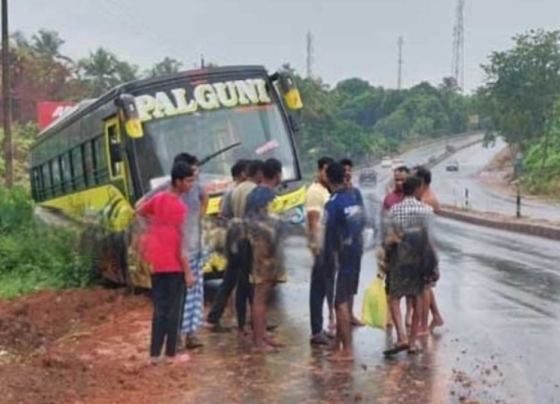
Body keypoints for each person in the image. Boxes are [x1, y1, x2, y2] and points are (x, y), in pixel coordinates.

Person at [137, 153, 209, 350]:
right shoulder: (164, 193)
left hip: (195, 248)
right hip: (177, 252)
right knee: (177, 298)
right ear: (179, 178)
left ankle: (191, 334)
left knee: (195, 296)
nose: (194, 178)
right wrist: (157, 231)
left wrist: (199, 220)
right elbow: (139, 208)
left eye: (195, 174)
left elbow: (205, 198)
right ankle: (174, 338)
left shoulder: (195, 188)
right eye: (191, 174)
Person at [383, 176, 436, 356]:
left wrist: (385, 260)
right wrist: (434, 265)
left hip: (399, 259)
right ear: (417, 189)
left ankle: (401, 336)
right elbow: (430, 241)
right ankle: (413, 342)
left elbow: (389, 239)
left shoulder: (394, 211)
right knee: (417, 299)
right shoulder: (427, 211)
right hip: (419, 261)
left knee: (395, 297)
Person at [322, 162, 363, 361]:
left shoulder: (332, 203)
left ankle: (346, 350)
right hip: (354, 253)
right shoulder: (352, 199)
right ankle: (338, 345)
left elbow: (328, 235)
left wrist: (328, 260)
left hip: (340, 256)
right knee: (345, 298)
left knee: (340, 304)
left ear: (329, 179)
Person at [244, 158, 285, 352]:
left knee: (264, 295)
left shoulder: (256, 193)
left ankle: (262, 335)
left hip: (262, 247)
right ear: (277, 175)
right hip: (265, 249)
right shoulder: (267, 195)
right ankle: (258, 341)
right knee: (261, 295)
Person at [206, 159, 250, 331]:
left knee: (230, 280)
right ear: (243, 174)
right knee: (241, 281)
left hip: (233, 240)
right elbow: (223, 217)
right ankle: (244, 322)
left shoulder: (233, 191)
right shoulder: (234, 192)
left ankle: (215, 317)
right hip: (238, 240)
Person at [307, 157, 335, 346]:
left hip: (329, 247)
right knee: (318, 289)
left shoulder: (326, 190)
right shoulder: (315, 192)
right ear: (318, 171)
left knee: (325, 288)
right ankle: (316, 331)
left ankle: (321, 327)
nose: (328, 175)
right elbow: (313, 222)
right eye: (325, 171)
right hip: (321, 247)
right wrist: (317, 247)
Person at [414, 166, 444, 334]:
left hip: (428, 248)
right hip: (428, 247)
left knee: (424, 287)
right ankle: (436, 316)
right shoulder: (425, 198)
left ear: (422, 182)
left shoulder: (427, 200)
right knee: (426, 285)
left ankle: (424, 325)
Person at [340, 158, 366, 327]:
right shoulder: (336, 194)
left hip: (356, 243)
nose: (347, 173)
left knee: (353, 280)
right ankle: (339, 317)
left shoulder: (356, 193)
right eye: (344, 170)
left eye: (349, 170)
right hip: (341, 245)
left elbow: (362, 215)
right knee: (342, 281)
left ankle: (350, 313)